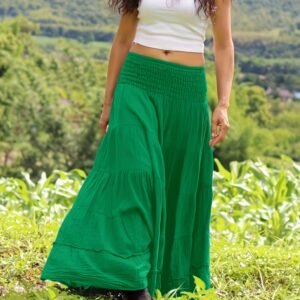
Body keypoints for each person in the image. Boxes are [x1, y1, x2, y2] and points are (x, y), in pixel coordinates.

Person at [40, 0, 234, 299]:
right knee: (136, 174)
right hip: (137, 82)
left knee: (171, 183)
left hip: (186, 92)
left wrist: (223, 103)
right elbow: (121, 40)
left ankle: (112, 274)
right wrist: (107, 104)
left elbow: (223, 45)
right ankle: (132, 281)